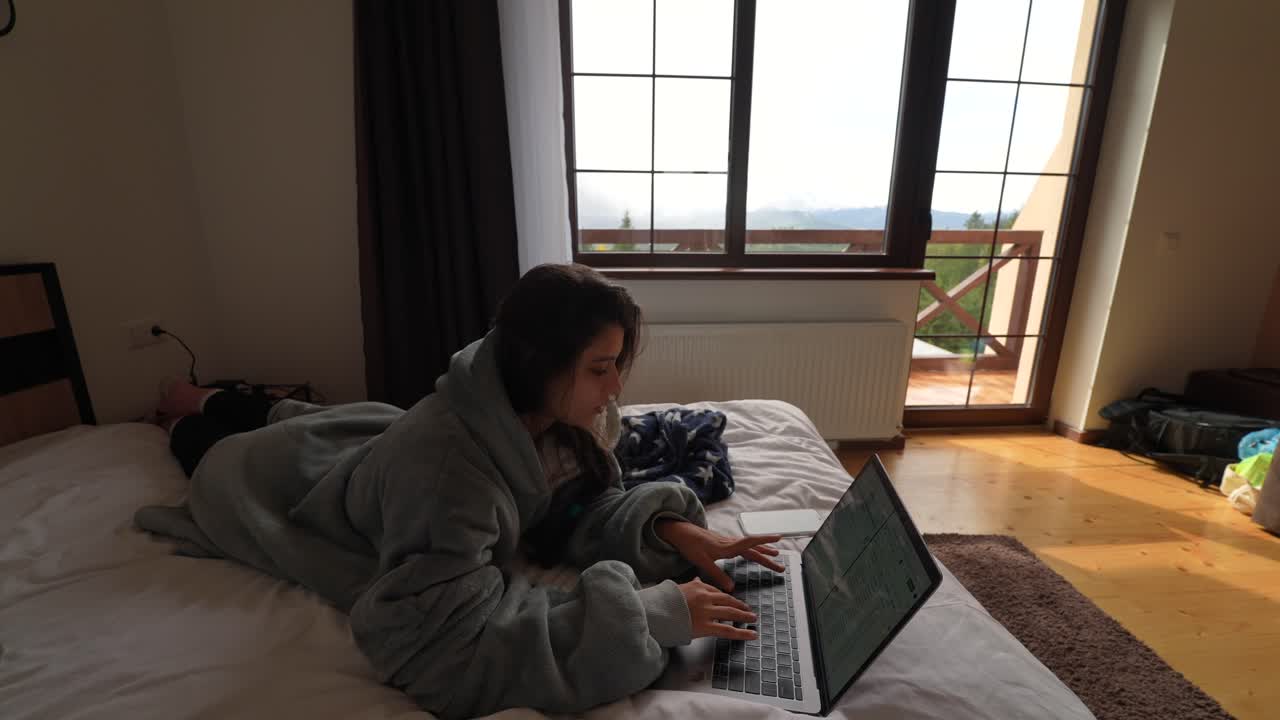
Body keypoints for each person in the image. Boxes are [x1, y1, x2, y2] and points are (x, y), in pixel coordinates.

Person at [135, 263, 783, 719]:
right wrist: (650, 614)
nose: (615, 390)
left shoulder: (541, 415)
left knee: (283, 416)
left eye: (617, 366)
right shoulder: (448, 477)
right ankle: (181, 414)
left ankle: (208, 399)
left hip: (353, 443)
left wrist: (676, 531)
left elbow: (568, 505)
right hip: (259, 481)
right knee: (207, 448)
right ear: (539, 363)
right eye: (600, 368)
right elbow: (444, 650)